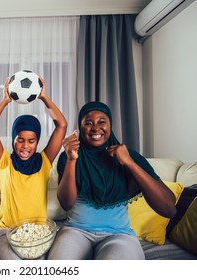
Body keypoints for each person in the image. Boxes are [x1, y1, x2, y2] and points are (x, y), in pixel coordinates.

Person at [47, 101, 176, 260]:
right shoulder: (68, 155)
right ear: (80, 127)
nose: (95, 128)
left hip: (118, 235)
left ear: (110, 125)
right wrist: (71, 160)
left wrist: (129, 163)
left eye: (102, 122)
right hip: (76, 231)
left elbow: (169, 209)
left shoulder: (130, 156)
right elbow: (66, 203)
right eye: (88, 123)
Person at [0, 76, 67, 259]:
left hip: (38, 233)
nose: (25, 146)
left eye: (31, 141)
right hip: (5, 232)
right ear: (13, 139)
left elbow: (62, 125)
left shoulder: (44, 162)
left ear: (37, 141)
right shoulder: (4, 162)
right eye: (20, 140)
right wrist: (5, 100)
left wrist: (44, 98)